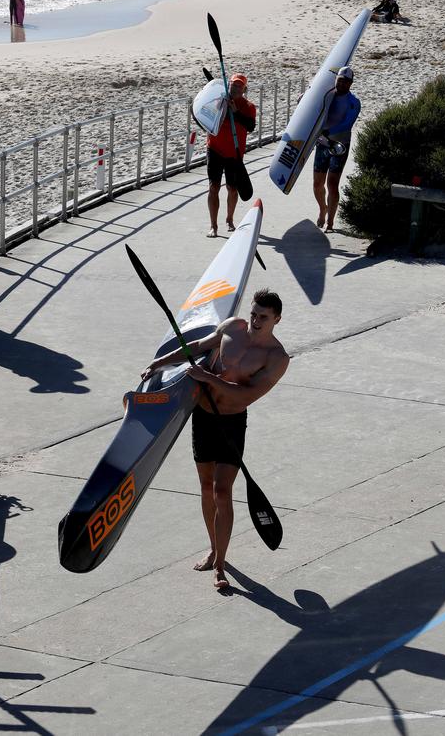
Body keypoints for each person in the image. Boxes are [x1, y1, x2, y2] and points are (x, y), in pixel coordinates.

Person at [141, 288, 289, 590]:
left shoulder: (276, 358)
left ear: (277, 319)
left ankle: (220, 566)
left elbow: (248, 394)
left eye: (263, 317)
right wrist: (159, 363)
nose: (255, 320)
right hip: (204, 416)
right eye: (253, 313)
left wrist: (210, 378)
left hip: (232, 423)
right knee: (206, 488)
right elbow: (196, 346)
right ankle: (213, 549)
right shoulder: (232, 327)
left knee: (223, 491)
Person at [206, 73, 256, 238]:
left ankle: (229, 219)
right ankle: (213, 225)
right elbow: (205, 114)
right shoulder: (219, 101)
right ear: (229, 86)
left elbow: (250, 127)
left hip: (234, 153)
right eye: (234, 85)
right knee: (213, 187)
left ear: (244, 89)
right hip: (215, 149)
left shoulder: (248, 106)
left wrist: (235, 112)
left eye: (239, 86)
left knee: (232, 188)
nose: (236, 88)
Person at [313, 66, 361, 233]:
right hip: (322, 143)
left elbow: (347, 123)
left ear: (351, 83)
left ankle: (330, 222)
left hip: (339, 146)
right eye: (340, 80)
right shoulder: (327, 95)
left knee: (332, 184)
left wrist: (327, 131)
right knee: (317, 184)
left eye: (346, 82)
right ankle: (322, 208)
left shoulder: (354, 102)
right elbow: (310, 104)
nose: (342, 84)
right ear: (336, 79)